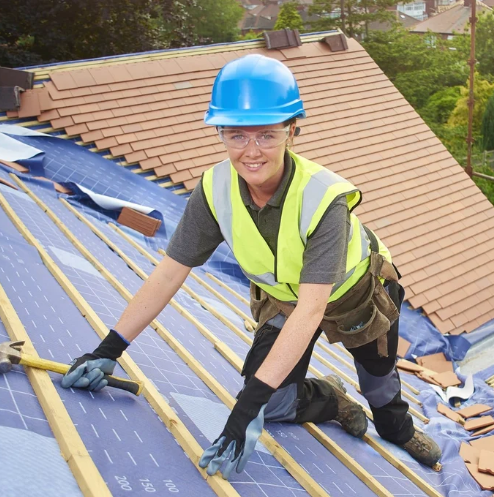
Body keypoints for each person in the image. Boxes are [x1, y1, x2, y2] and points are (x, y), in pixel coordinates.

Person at [60, 54, 441, 480]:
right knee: (272, 402)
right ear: (220, 132)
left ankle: (397, 428)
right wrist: (109, 350)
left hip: (356, 298)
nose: (251, 151)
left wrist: (244, 410)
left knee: (379, 387)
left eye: (267, 134)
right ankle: (333, 401)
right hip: (284, 303)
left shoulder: (323, 199)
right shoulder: (214, 189)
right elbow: (169, 273)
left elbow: (312, 309)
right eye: (236, 135)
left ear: (292, 130)